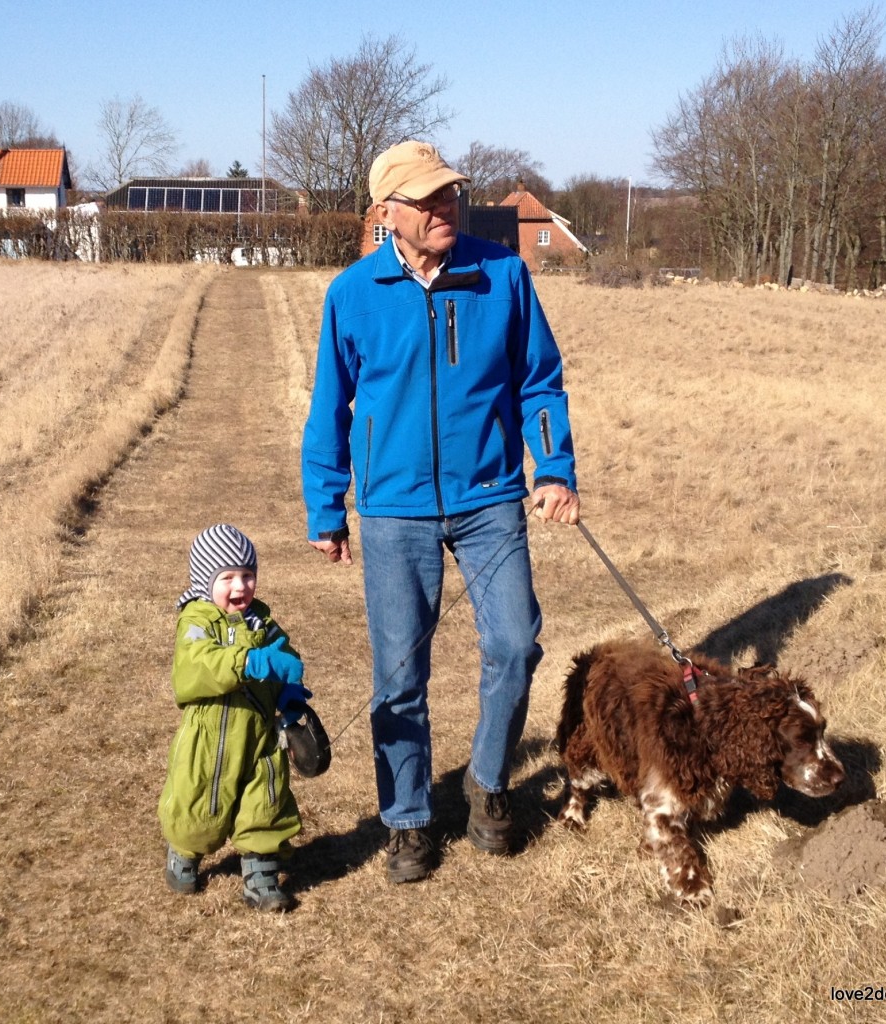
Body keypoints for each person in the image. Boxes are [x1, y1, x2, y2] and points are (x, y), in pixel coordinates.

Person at [301, 140, 580, 884]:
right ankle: (408, 822)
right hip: (394, 511)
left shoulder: (504, 276)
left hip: (490, 499)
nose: (444, 207)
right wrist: (326, 506)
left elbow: (541, 384)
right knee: (399, 677)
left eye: (449, 193)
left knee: (516, 646)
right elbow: (328, 409)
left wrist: (551, 469)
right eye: (425, 199)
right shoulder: (352, 296)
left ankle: (487, 785)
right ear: (388, 212)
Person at [158, 523, 311, 912]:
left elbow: (286, 657)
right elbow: (197, 667)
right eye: (226, 578)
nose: (239, 586)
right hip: (208, 738)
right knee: (197, 802)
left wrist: (289, 692)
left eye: (247, 576)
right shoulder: (196, 623)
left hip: (258, 734)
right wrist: (247, 661)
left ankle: (260, 874)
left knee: (266, 800)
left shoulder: (263, 622)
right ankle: (185, 851)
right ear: (205, 580)